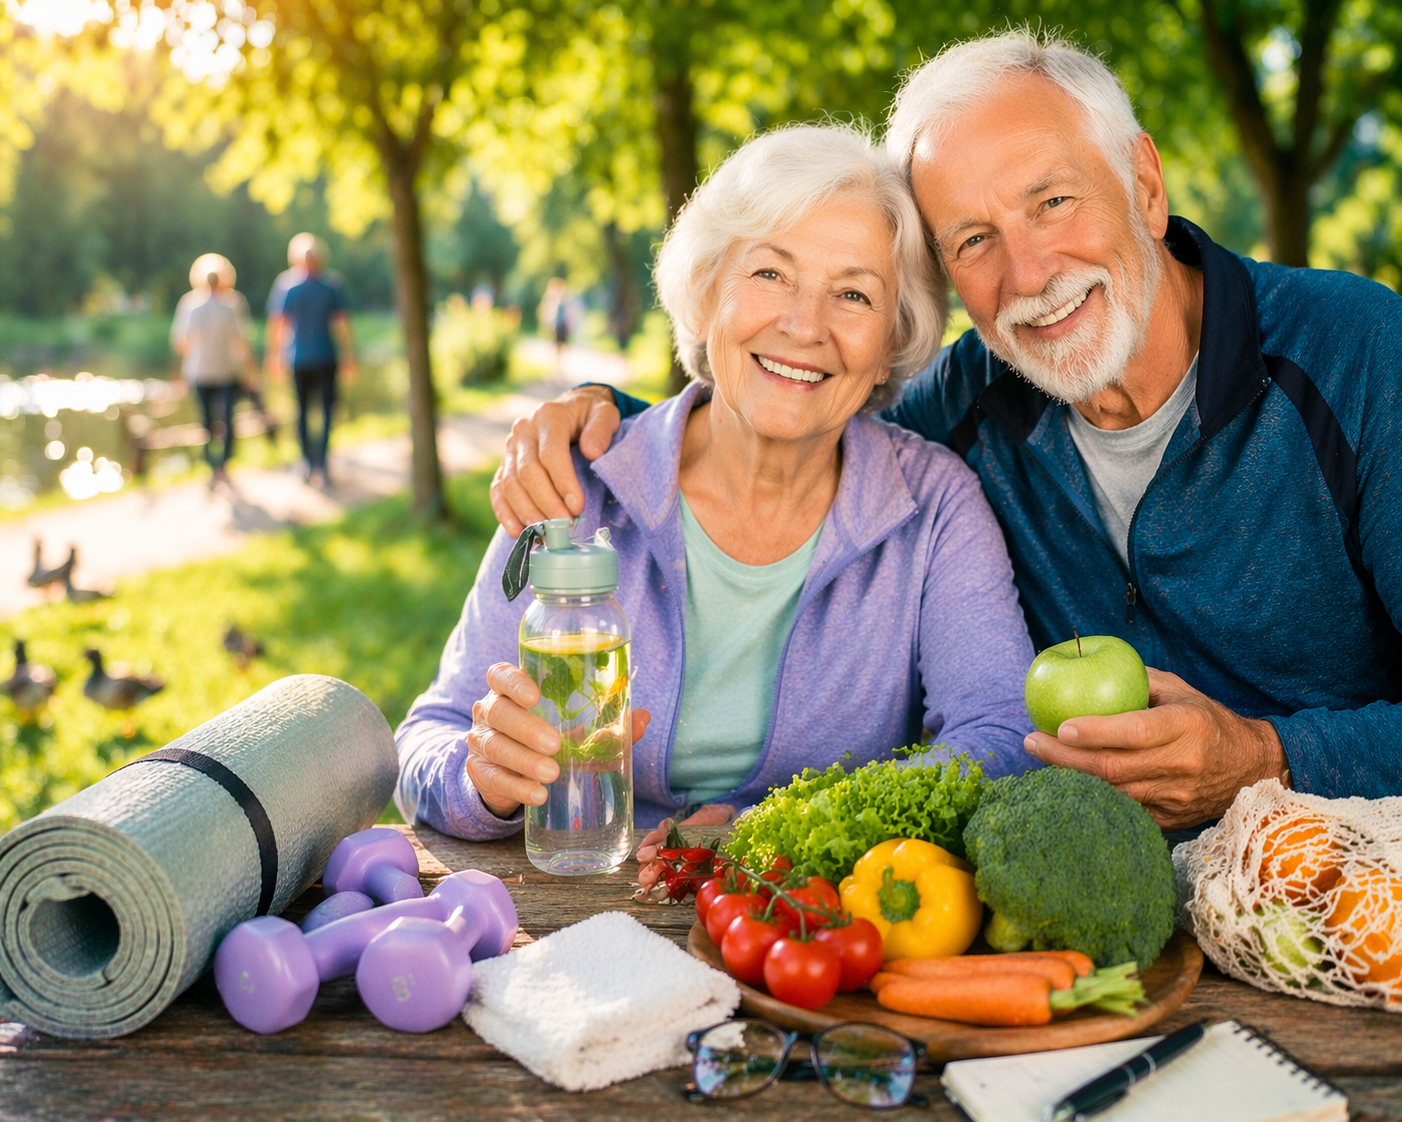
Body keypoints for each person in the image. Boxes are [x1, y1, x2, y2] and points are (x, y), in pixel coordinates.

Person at [489, 30, 1402, 830]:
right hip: (1084, 913)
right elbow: (790, 404)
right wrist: (595, 419)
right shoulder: (972, 403)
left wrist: (1266, 756)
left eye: (1053, 202)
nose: (1030, 271)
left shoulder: (1359, 358)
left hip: (1344, 897)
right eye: (973, 240)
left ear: (1145, 187)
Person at [395, 124, 1037, 843]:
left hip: (811, 922)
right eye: (770, 274)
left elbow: (1003, 737)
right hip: (572, 907)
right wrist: (483, 779)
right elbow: (428, 739)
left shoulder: (936, 505)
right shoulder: (573, 485)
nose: (803, 324)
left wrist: (787, 830)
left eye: (853, 295)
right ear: (705, 296)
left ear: (894, 343)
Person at [265, 233, 357, 487]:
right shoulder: (330, 284)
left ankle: (309, 461)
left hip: (300, 358)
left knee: (305, 411)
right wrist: (350, 354)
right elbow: (341, 325)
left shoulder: (286, 285)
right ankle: (319, 462)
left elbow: (278, 325)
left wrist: (273, 356)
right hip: (323, 357)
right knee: (324, 411)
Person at [170, 253, 255, 487]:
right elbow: (241, 342)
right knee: (227, 419)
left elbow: (180, 343)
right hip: (225, 371)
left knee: (207, 421)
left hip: (200, 372)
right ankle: (222, 465)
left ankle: (211, 464)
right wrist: (250, 371)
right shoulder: (231, 304)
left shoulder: (190, 305)